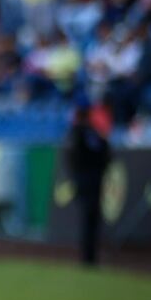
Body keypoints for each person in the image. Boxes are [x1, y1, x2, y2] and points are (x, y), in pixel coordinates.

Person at [65, 99, 112, 266]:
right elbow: (105, 153)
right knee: (91, 218)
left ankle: (88, 256)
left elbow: (70, 158)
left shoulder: (75, 133)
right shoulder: (89, 133)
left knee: (88, 217)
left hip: (83, 179)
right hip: (93, 179)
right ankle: (89, 257)